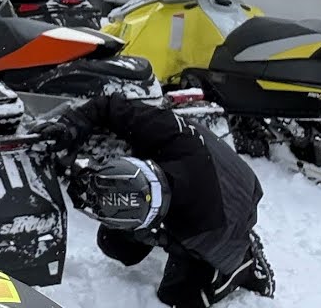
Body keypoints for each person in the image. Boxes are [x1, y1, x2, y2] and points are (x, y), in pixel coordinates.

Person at [34, 94, 275, 308]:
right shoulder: (159, 130)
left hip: (235, 204)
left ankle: (246, 264)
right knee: (113, 243)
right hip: (199, 162)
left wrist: (158, 238)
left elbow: (176, 236)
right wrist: (71, 127)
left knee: (178, 296)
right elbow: (108, 104)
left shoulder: (203, 227)